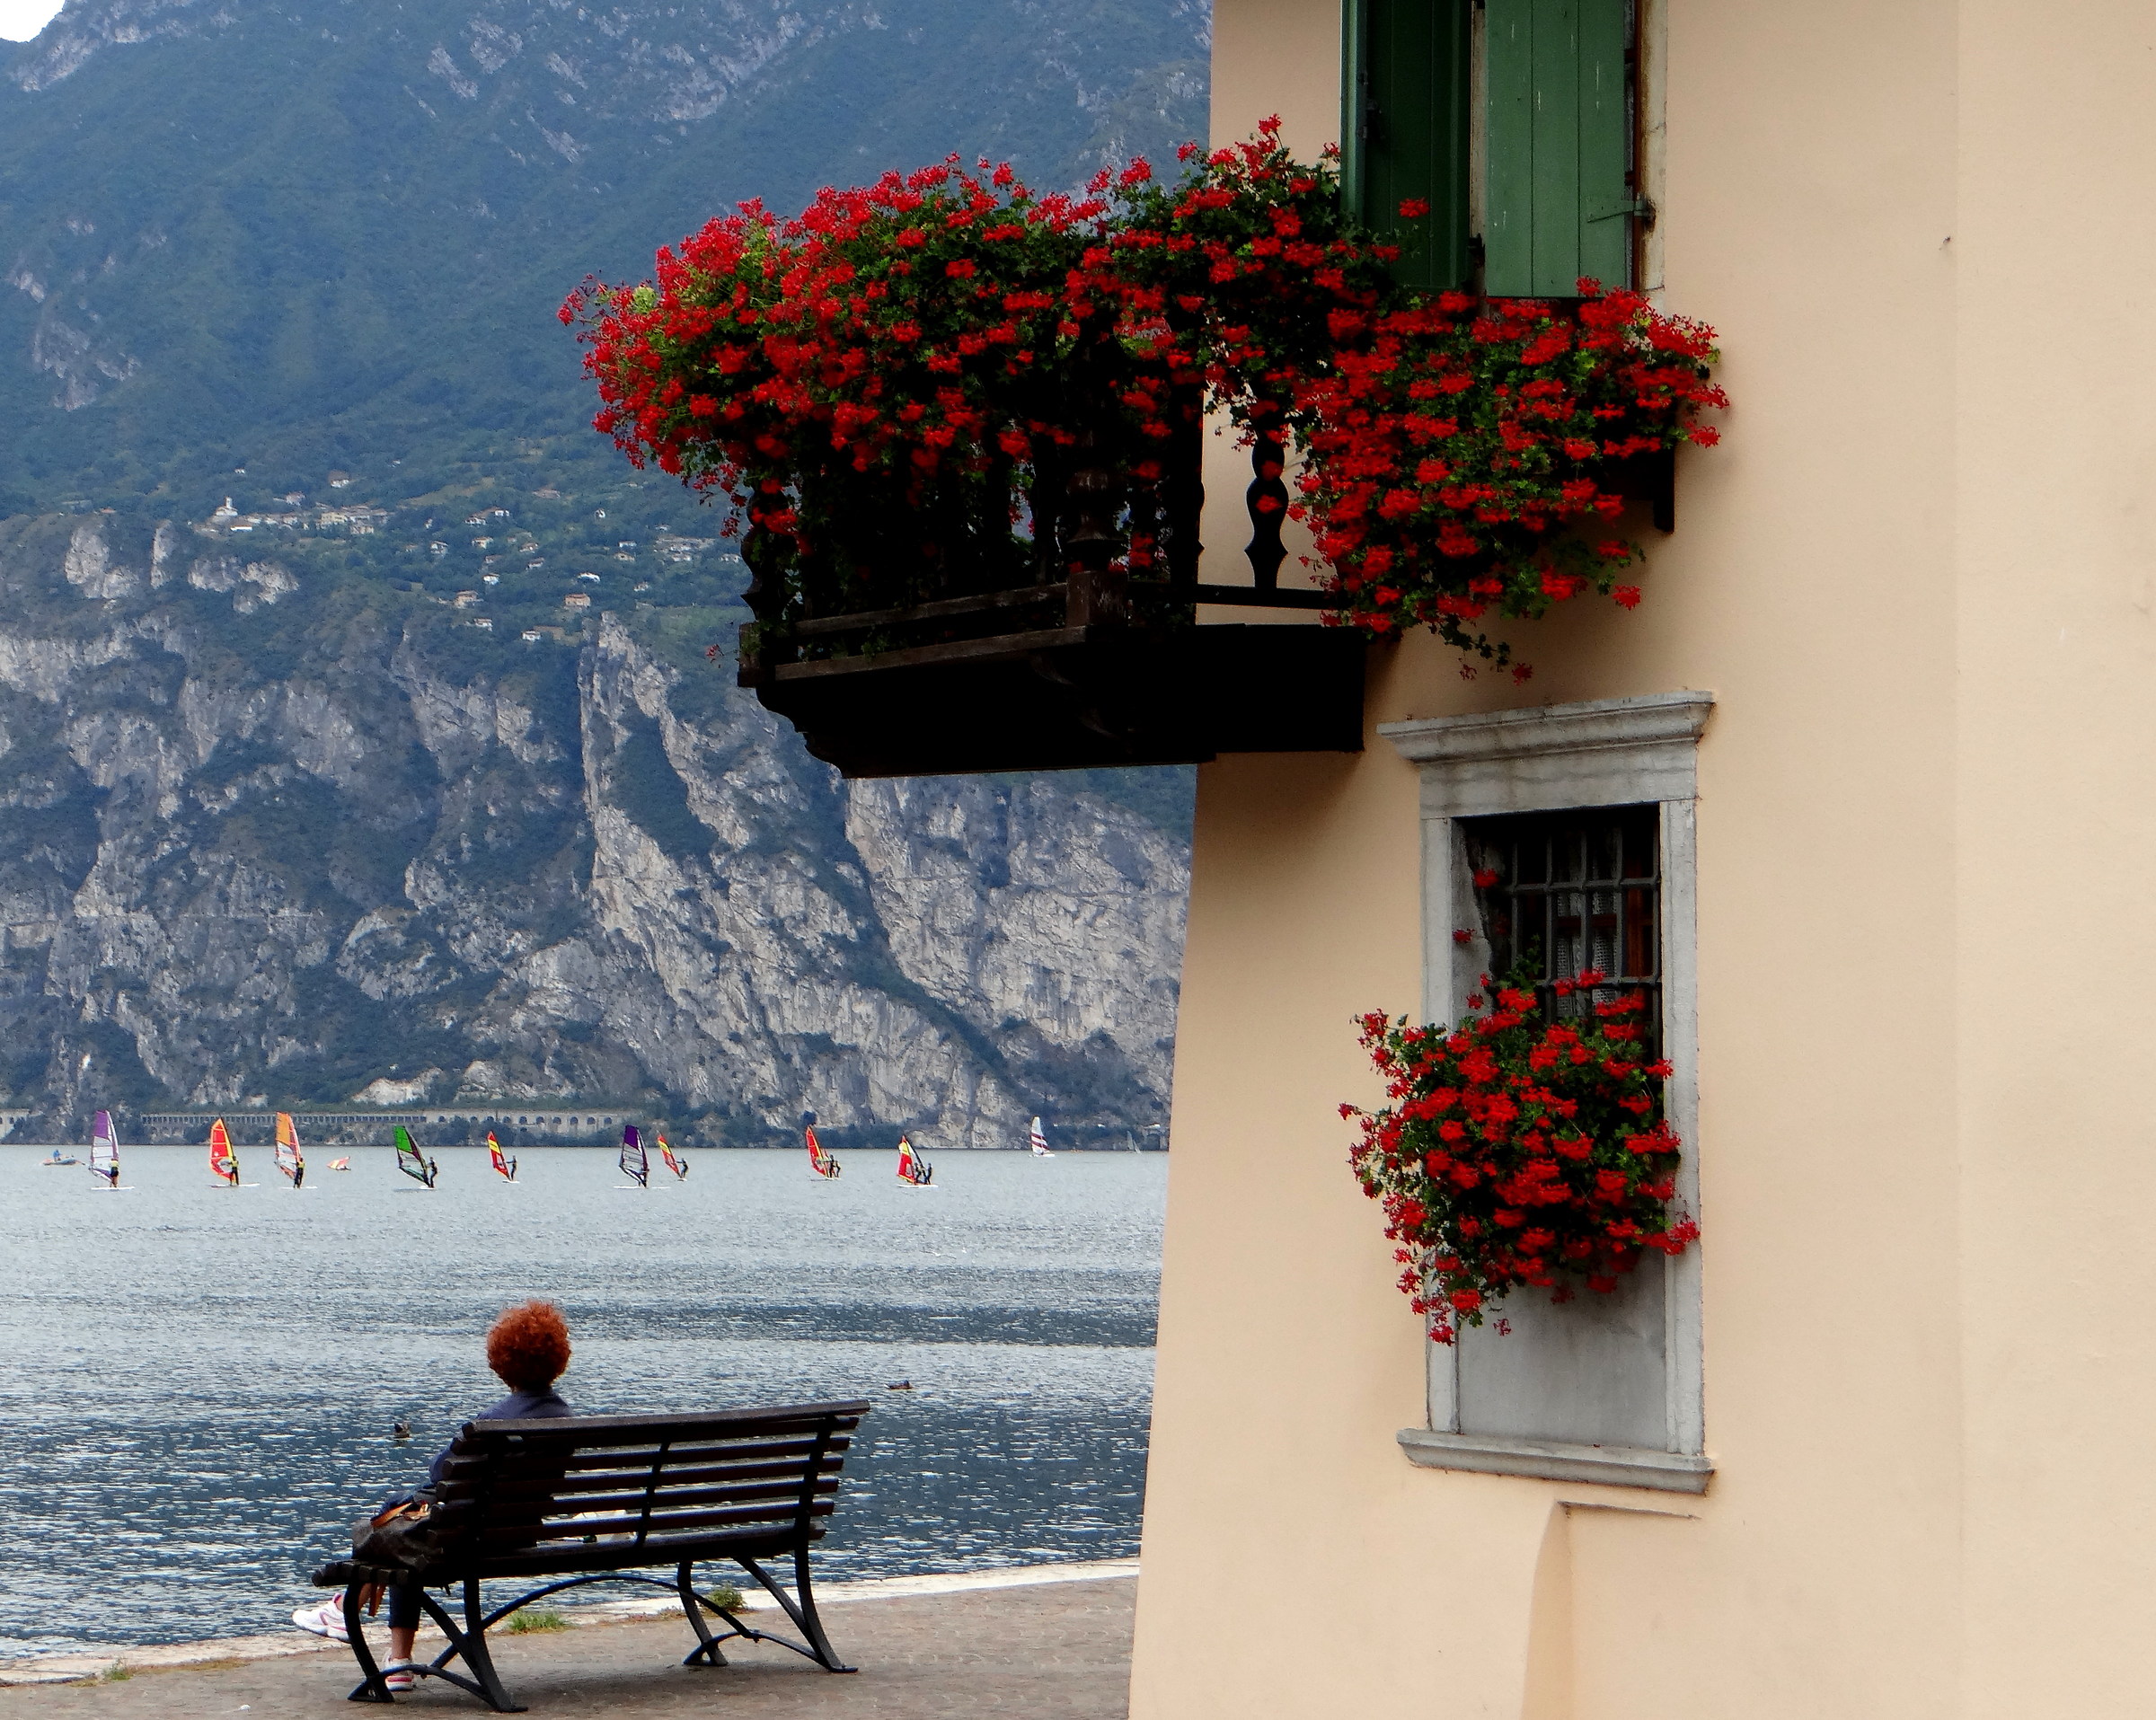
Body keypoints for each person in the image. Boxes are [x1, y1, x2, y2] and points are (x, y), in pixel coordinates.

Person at [290, 1300, 574, 1691]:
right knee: (408, 1521)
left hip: (468, 1541)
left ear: (502, 1361)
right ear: (558, 1359)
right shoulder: (565, 1420)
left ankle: (361, 1624)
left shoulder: (491, 1423)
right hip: (517, 1534)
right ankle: (367, 1633)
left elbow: (441, 1471)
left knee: (398, 1521)